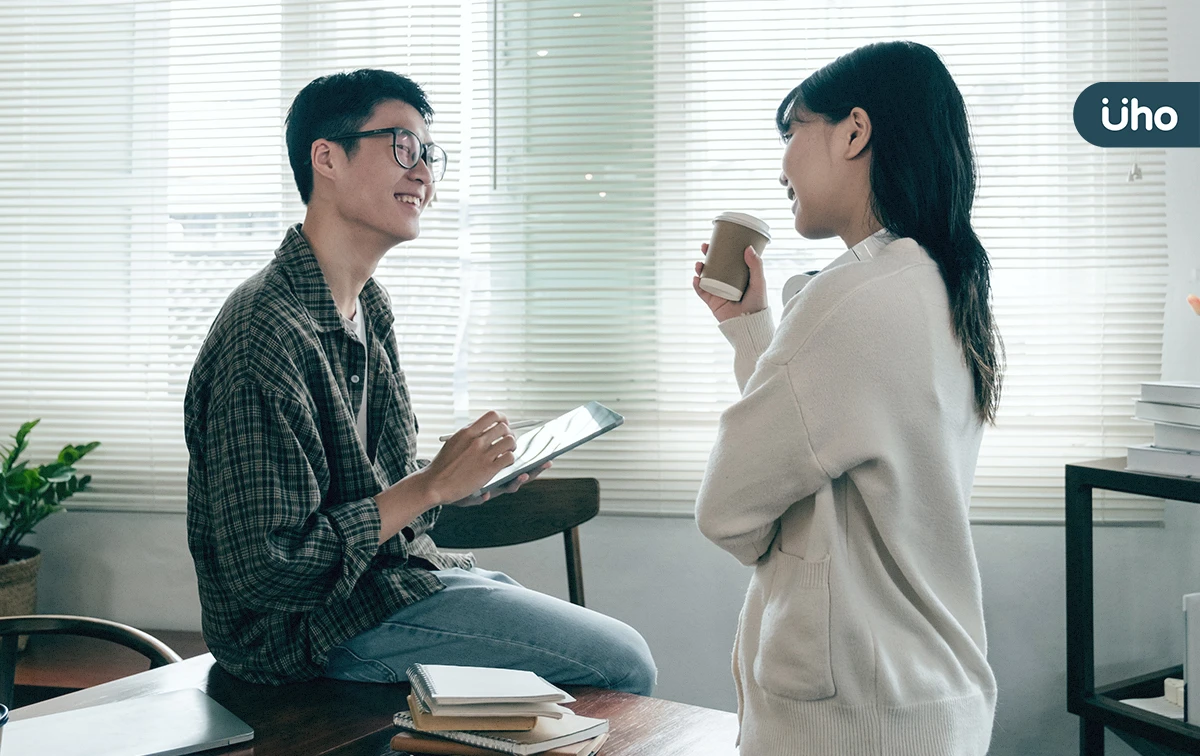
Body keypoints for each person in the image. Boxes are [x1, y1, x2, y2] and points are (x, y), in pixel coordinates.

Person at [184, 69, 655, 693]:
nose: (423, 173)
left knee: (598, 654)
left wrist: (457, 486)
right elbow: (269, 569)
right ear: (326, 158)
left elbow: (374, 496)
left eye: (430, 155)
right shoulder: (264, 334)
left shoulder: (368, 307)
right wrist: (430, 484)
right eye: (402, 147)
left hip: (387, 583)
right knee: (624, 662)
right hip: (303, 633)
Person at [691, 42, 1003, 755]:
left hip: (849, 716)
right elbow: (828, 437)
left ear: (854, 131)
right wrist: (751, 329)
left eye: (792, 130)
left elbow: (727, 510)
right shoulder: (937, 281)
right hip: (927, 699)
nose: (781, 167)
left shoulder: (848, 299)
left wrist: (777, 529)